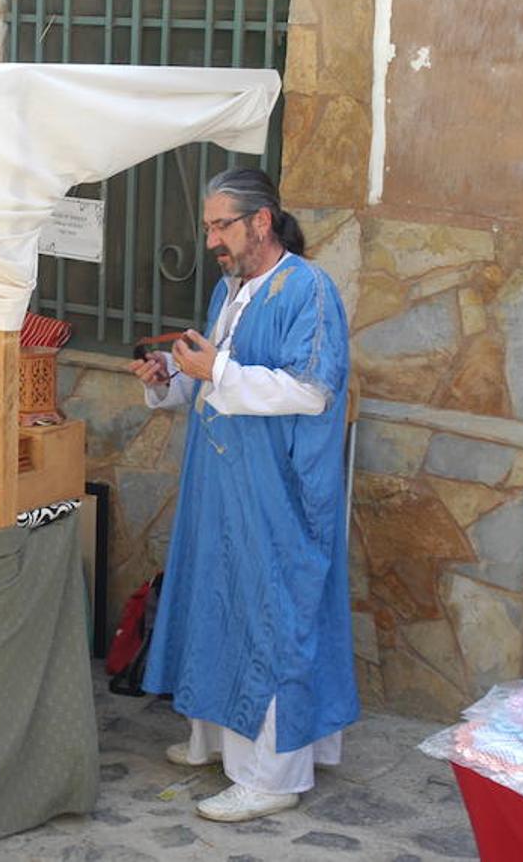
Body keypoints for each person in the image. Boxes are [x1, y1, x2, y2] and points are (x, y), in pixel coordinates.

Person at [128, 168, 358, 823]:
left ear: (260, 221)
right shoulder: (228, 290)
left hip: (275, 493)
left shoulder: (308, 290)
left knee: (270, 615)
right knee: (215, 601)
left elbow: (311, 389)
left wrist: (217, 370)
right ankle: (213, 741)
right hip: (220, 483)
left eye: (220, 226)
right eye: (207, 228)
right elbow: (211, 383)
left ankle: (270, 775)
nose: (211, 242)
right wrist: (168, 379)